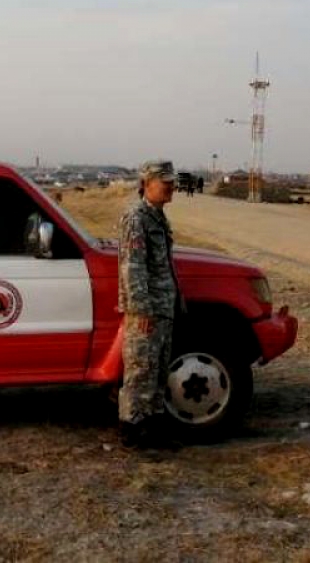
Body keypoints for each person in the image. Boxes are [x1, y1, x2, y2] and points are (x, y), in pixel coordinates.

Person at [117, 159, 183, 448]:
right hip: (146, 310)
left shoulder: (157, 216)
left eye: (172, 181)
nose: (171, 187)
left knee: (157, 370)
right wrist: (141, 308)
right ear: (146, 183)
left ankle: (154, 427)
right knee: (140, 369)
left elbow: (164, 265)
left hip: (163, 308)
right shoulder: (137, 218)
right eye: (164, 182)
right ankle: (133, 429)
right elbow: (133, 267)